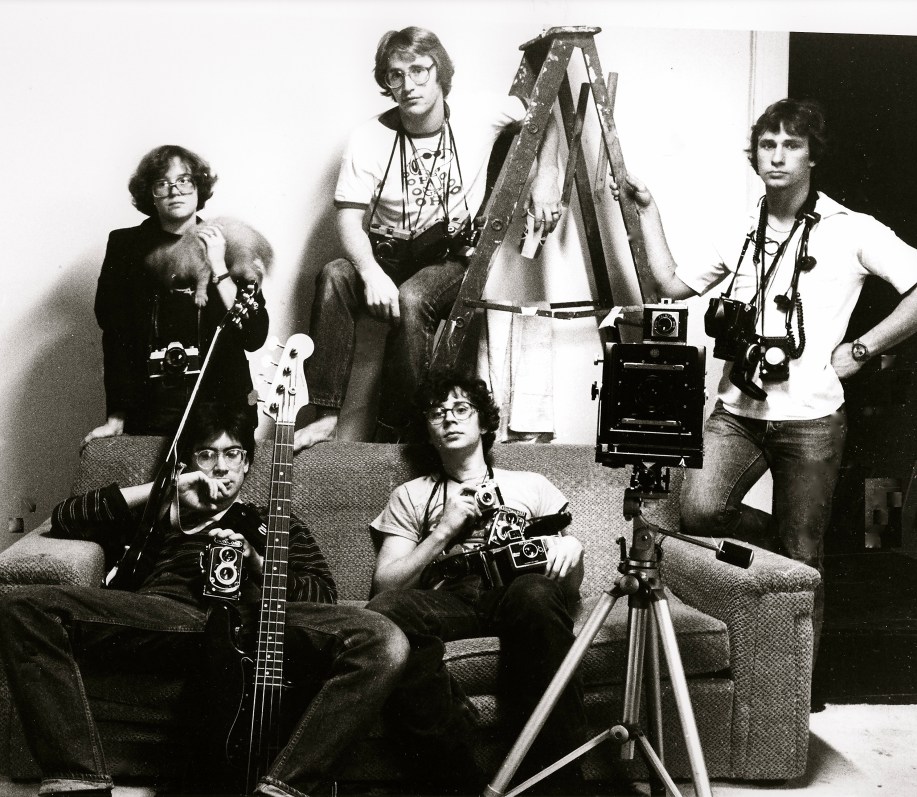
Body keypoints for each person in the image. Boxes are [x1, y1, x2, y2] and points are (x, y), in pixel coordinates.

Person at [617, 98, 917, 665]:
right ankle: (787, 538)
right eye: (767, 144)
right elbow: (670, 285)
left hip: (812, 421)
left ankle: (797, 692)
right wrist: (648, 209)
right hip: (737, 412)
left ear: (812, 157)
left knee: (805, 558)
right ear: (754, 155)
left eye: (791, 145)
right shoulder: (739, 226)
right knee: (699, 513)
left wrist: (862, 349)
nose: (777, 156)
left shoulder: (851, 229)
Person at [0, 400, 409, 797]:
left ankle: (283, 789)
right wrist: (164, 492)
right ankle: (79, 781)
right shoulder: (162, 512)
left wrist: (257, 563)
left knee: (382, 638)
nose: (221, 466)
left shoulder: (273, 521)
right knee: (21, 606)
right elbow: (65, 518)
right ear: (189, 462)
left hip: (251, 622)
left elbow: (322, 594)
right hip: (171, 616)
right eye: (206, 454)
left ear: (247, 463)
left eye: (233, 453)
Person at [294, 26, 562, 451]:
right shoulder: (367, 137)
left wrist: (546, 176)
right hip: (385, 255)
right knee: (333, 275)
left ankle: (400, 430)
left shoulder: (480, 112)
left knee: (412, 298)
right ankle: (326, 416)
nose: (408, 85)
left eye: (419, 70)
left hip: (447, 258)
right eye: (395, 75)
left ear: (440, 73)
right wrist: (370, 272)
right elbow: (348, 218)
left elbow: (543, 117)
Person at [364, 370, 587, 791]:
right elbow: (385, 589)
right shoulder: (411, 494)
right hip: (450, 598)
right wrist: (443, 531)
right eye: (437, 413)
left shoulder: (531, 485)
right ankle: (458, 779)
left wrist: (571, 549)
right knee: (387, 612)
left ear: (484, 423)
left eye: (461, 408)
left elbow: (568, 589)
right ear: (428, 432)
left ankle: (556, 781)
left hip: (519, 593)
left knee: (536, 593)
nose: (449, 418)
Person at [82, 144, 270, 448]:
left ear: (198, 187)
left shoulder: (233, 241)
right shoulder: (125, 247)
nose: (175, 191)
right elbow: (116, 336)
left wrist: (219, 266)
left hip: (224, 412)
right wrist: (116, 416)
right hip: (152, 410)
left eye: (184, 181)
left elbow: (254, 336)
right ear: (150, 194)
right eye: (162, 183)